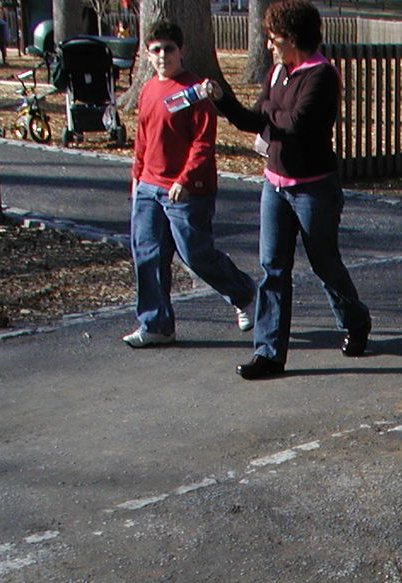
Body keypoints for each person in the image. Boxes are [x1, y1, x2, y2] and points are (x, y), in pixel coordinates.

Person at [206, 0, 371, 381]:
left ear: (294, 39)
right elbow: (256, 117)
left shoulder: (321, 75)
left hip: (314, 189)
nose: (269, 46)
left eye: (275, 39)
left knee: (324, 263)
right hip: (275, 186)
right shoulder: (279, 71)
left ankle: (355, 320)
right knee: (273, 269)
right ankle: (268, 354)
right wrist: (223, 100)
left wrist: (269, 114)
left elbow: (298, 124)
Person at [124, 20, 255, 349]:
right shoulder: (148, 89)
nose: (163, 55)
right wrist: (137, 177)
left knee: (195, 255)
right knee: (148, 256)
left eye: (169, 48)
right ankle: (156, 325)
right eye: (156, 50)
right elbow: (143, 138)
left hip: (186, 189)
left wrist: (184, 179)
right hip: (148, 187)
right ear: (147, 54)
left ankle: (246, 295)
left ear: (181, 51)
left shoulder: (194, 90)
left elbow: (202, 143)